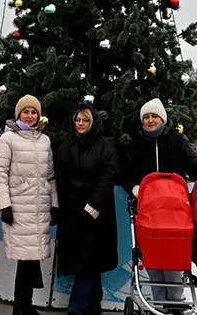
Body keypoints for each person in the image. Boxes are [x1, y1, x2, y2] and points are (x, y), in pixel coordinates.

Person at [120, 98, 197, 306]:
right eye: (146, 117)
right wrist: (134, 188)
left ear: (163, 118)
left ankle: (176, 301)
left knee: (173, 256)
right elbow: (125, 172)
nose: (150, 121)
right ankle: (158, 303)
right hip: (147, 208)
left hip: (175, 210)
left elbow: (195, 166)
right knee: (151, 257)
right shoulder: (135, 143)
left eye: (154, 116)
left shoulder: (178, 140)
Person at [0, 94, 58, 315]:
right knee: (25, 260)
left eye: (33, 112)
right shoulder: (8, 139)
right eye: (25, 112)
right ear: (18, 114)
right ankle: (20, 307)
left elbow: (50, 175)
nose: (30, 116)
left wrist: (55, 204)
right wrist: (6, 206)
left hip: (39, 208)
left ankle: (25, 305)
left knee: (32, 259)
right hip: (19, 209)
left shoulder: (44, 139)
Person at [54, 103, 120, 315]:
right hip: (71, 211)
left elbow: (108, 175)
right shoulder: (67, 144)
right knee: (85, 260)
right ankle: (94, 303)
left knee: (88, 259)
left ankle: (76, 308)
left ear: (94, 123)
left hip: (97, 214)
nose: (81, 124)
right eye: (78, 120)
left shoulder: (104, 145)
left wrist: (93, 206)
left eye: (85, 120)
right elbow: (59, 172)